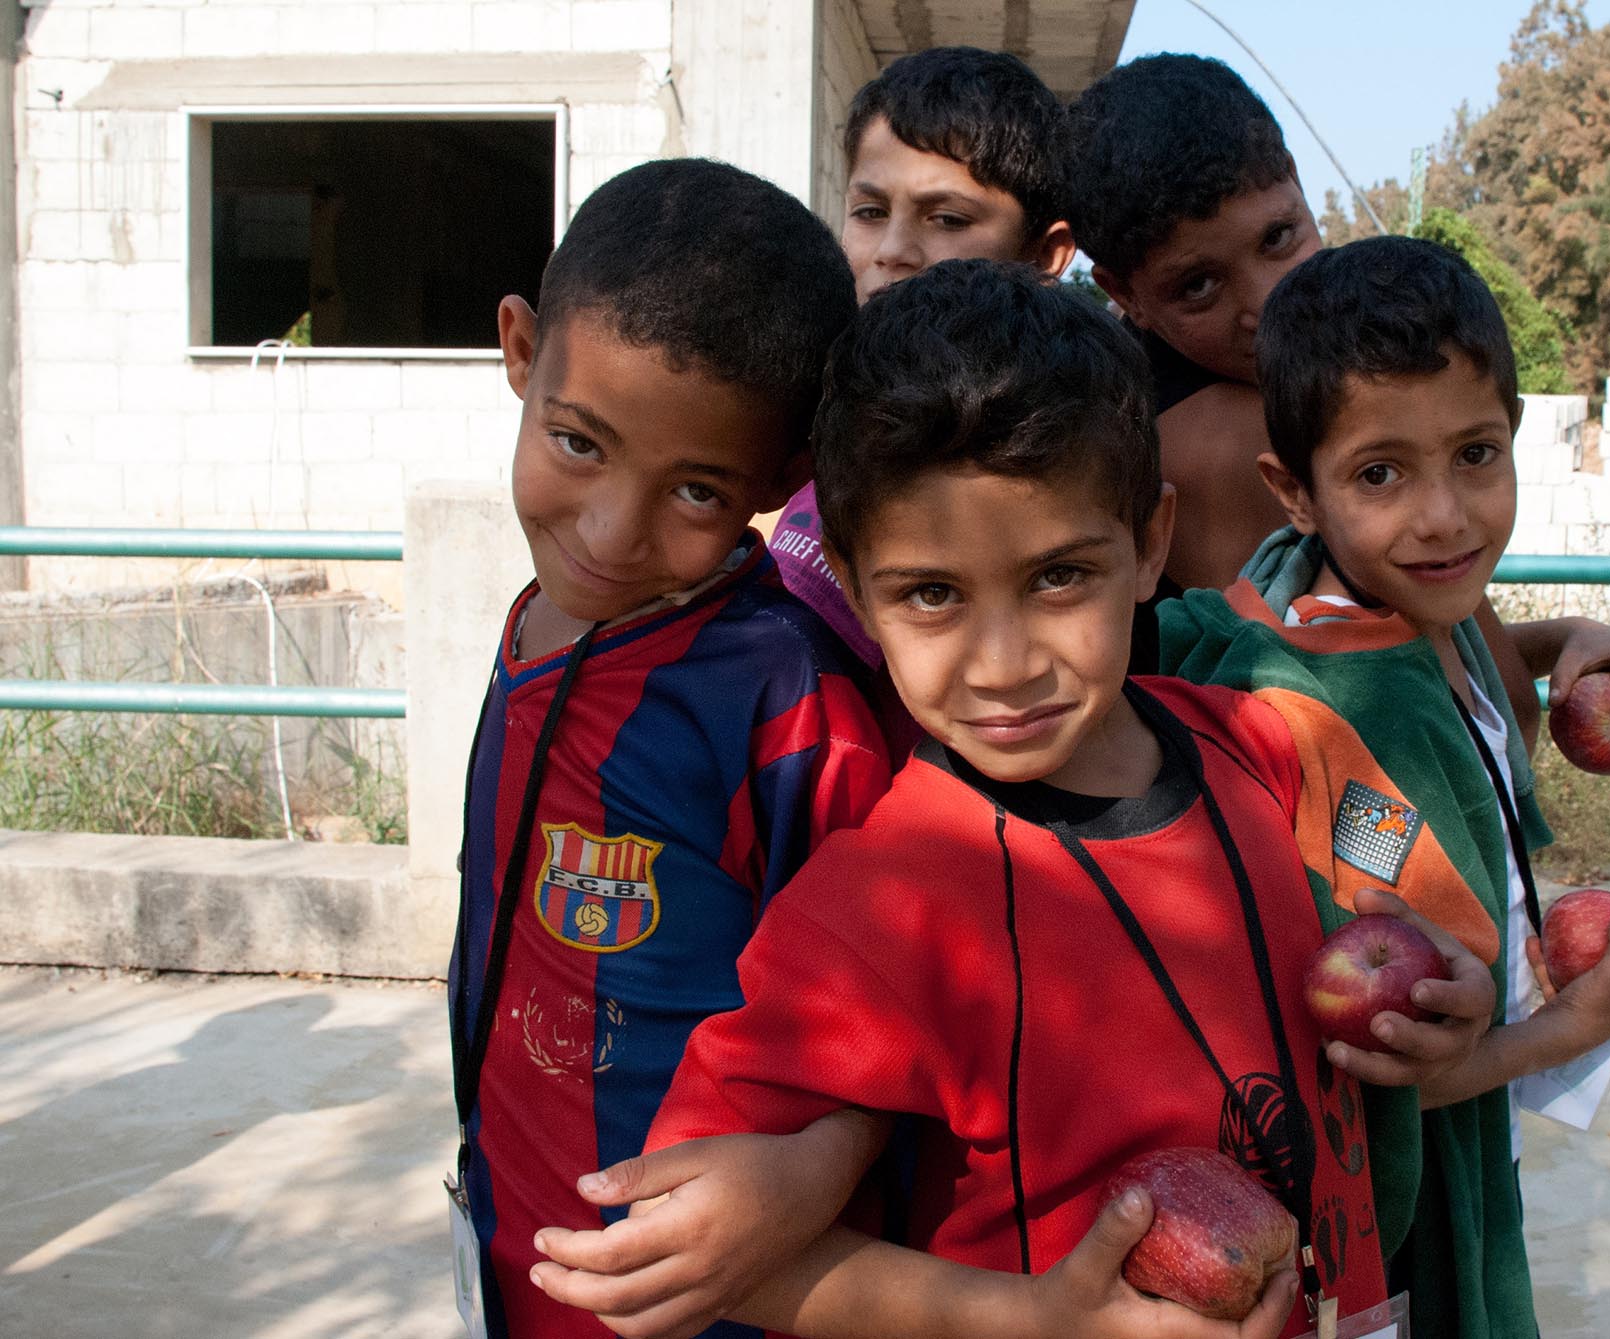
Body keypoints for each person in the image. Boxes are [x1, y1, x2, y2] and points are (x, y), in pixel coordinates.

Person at [532, 260, 1500, 1339]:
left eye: (1057, 578)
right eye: (932, 594)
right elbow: (721, 1258)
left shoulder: (1273, 743)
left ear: (1148, 545)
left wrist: (1447, 982)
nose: (1002, 666)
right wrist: (1030, 1317)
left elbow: (1401, 883)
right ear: (853, 589)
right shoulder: (869, 911)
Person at [1160, 236, 1610, 1337]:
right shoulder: (1354, 746)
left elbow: (1429, 653)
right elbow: (1372, 1068)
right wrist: (1569, 1026)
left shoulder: (1338, 595)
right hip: (1412, 1207)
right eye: (1380, 473)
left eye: (1475, 455)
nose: (1443, 515)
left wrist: (1562, 637)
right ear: (1290, 490)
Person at [448, 157, 893, 1339]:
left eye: (697, 491)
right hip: (518, 1256)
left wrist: (818, 1174)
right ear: (517, 349)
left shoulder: (784, 700)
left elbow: (910, 997)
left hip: (714, 1303)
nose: (606, 531)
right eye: (579, 442)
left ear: (782, 478)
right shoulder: (532, 622)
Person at [1064, 53, 1610, 753]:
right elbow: (1494, 706)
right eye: (1200, 286)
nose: (1265, 302)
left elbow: (1407, 634)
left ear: (1299, 184)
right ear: (1123, 294)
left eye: (1279, 238)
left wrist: (1571, 637)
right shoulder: (1225, 443)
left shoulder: (1140, 395)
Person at [769, 45, 1076, 678]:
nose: (893, 251)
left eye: (946, 218)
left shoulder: (1070, 454)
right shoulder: (799, 409)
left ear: (1046, 256)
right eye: (870, 212)